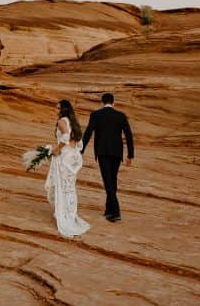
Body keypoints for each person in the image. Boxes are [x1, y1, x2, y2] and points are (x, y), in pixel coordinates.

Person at [81, 93, 134, 222]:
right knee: (112, 180)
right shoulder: (121, 115)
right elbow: (128, 135)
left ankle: (115, 212)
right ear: (113, 102)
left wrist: (81, 149)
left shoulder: (96, 115)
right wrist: (130, 155)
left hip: (103, 151)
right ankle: (108, 210)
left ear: (102, 102)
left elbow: (88, 131)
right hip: (117, 152)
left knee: (108, 181)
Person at [44, 99, 90, 239]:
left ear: (63, 109)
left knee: (62, 187)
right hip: (73, 157)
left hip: (64, 159)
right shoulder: (73, 121)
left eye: (57, 107)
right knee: (70, 187)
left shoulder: (61, 121)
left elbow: (65, 137)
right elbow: (78, 142)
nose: (55, 109)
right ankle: (70, 214)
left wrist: (56, 150)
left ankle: (65, 215)